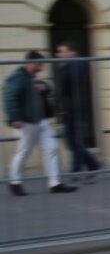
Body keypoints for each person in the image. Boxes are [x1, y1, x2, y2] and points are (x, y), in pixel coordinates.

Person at [3, 51, 76, 195]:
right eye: (40, 64)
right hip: (27, 122)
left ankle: (55, 183)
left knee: (52, 148)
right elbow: (9, 97)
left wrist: (45, 87)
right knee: (23, 152)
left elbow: (48, 88)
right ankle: (14, 181)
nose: (41, 67)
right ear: (31, 63)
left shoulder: (32, 78)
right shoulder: (18, 78)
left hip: (41, 120)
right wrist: (14, 118)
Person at [55, 42, 101, 180]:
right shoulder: (67, 66)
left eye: (62, 52)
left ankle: (78, 170)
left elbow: (71, 87)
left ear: (71, 52)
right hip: (68, 109)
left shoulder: (75, 65)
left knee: (74, 141)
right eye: (58, 52)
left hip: (74, 109)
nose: (58, 55)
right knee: (72, 142)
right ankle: (90, 165)